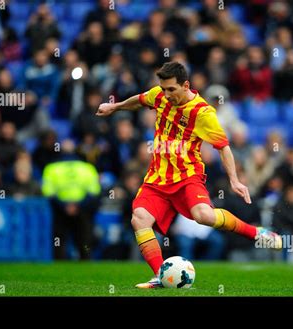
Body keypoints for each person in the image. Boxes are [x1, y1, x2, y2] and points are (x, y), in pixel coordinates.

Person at [96, 61, 282, 288]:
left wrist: (234, 179)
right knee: (139, 218)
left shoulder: (203, 113)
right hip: (157, 178)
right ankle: (160, 275)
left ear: (186, 85)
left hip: (187, 177)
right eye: (163, 89)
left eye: (171, 90)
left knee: (204, 215)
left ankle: (256, 233)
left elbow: (223, 146)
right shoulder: (160, 96)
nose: (166, 95)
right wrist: (115, 107)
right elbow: (140, 100)